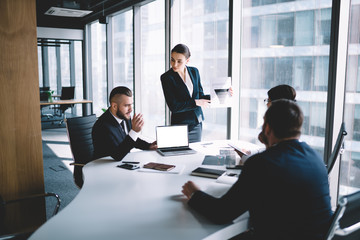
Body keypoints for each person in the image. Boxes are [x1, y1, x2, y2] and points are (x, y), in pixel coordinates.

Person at [182, 100, 332, 240]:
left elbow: (221, 214)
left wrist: (195, 193)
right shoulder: (316, 158)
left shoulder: (261, 164)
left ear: (267, 128)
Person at [160, 44, 211, 143]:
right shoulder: (166, 77)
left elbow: (200, 96)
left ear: (187, 60)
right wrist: (196, 103)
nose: (174, 64)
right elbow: (173, 107)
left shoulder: (194, 72)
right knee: (180, 156)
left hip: (196, 123)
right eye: (172, 59)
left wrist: (223, 93)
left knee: (195, 155)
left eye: (179, 61)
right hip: (179, 125)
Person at [92, 86, 157, 161]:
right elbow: (117, 155)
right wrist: (134, 131)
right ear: (114, 106)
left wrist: (148, 146)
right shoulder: (102, 126)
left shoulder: (124, 117)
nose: (131, 109)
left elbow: (130, 139)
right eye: (126, 105)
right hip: (103, 167)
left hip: (121, 164)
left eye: (131, 104)